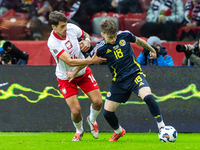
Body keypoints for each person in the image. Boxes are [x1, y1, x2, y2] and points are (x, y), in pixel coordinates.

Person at [83, 18, 165, 141]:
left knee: (147, 96)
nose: (114, 39)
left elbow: (139, 41)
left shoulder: (124, 35)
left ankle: (161, 127)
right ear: (102, 35)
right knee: (107, 113)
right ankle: (119, 131)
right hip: (119, 82)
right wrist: (74, 71)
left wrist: (152, 50)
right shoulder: (100, 47)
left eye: (115, 36)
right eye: (110, 37)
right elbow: (86, 61)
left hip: (135, 75)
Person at [47, 11, 106, 141]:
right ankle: (79, 130)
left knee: (98, 101)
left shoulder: (72, 28)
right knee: (76, 111)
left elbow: (85, 34)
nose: (65, 28)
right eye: (62, 26)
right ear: (53, 27)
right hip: (66, 77)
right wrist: (91, 60)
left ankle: (92, 120)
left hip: (82, 72)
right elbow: (69, 61)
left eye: (65, 24)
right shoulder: (52, 42)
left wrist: (86, 40)